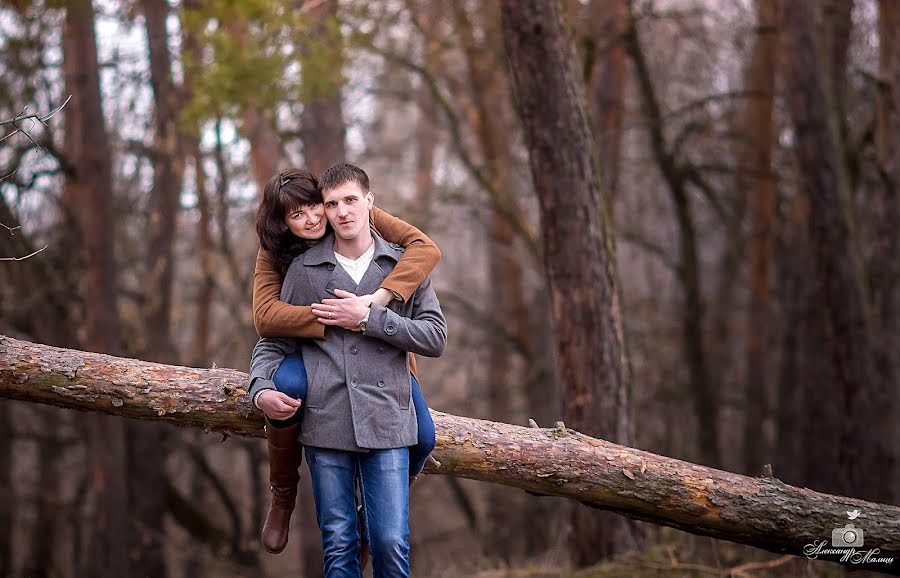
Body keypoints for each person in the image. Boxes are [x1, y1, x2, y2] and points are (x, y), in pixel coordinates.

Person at [250, 162, 447, 576]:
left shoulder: (402, 264)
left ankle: (370, 513)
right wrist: (259, 387)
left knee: (390, 540)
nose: (329, 214)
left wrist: (369, 315)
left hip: (388, 412)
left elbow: (434, 334)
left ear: (369, 203)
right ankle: (283, 493)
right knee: (338, 546)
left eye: (348, 201)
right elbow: (268, 328)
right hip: (326, 412)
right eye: (329, 204)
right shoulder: (291, 264)